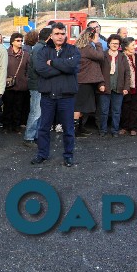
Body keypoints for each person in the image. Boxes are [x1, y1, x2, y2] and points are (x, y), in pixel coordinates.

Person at [30, 22, 81, 167]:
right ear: (51, 35)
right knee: (44, 128)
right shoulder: (43, 51)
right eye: (57, 34)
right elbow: (41, 69)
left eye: (62, 33)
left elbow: (73, 67)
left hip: (67, 97)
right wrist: (63, 67)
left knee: (68, 128)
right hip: (48, 96)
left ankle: (68, 155)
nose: (60, 36)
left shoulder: (73, 50)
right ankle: (42, 154)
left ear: (66, 35)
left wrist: (52, 63)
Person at [73, 27, 105, 137]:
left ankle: (79, 128)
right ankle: (75, 130)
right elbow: (100, 56)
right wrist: (98, 43)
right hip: (84, 81)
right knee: (78, 107)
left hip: (81, 80)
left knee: (81, 107)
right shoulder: (86, 48)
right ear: (91, 36)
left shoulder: (78, 46)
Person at [23, 27, 51, 147]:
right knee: (36, 112)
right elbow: (39, 68)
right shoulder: (40, 49)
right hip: (38, 84)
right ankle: (29, 137)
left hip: (39, 84)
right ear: (49, 37)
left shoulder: (39, 47)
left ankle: (35, 136)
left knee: (38, 112)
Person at [98, 34, 130, 137]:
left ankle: (115, 131)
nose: (115, 45)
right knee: (104, 111)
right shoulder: (103, 55)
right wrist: (101, 84)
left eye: (117, 43)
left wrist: (126, 87)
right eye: (113, 43)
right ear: (109, 44)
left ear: (119, 44)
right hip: (105, 87)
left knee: (116, 112)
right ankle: (103, 130)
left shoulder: (122, 56)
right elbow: (98, 71)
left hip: (118, 87)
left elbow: (127, 73)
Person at [1, 32, 30, 134]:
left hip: (21, 85)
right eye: (18, 40)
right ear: (12, 42)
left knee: (18, 107)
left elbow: (28, 69)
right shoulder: (5, 53)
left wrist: (25, 80)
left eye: (21, 40)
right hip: (8, 85)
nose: (20, 42)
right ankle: (6, 126)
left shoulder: (25, 55)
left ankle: (16, 126)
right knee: (7, 106)